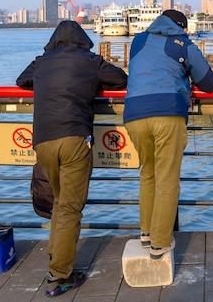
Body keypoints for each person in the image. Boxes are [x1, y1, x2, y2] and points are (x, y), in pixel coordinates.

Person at [16, 20, 128, 297]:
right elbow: (121, 79)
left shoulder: (41, 62)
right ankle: (59, 275)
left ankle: (56, 260)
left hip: (42, 140)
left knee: (58, 203)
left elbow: (21, 81)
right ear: (82, 40)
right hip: (74, 139)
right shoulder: (90, 60)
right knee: (69, 208)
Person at [123, 9, 213, 260]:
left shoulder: (138, 40)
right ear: (181, 27)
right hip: (167, 113)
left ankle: (146, 233)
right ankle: (160, 243)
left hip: (133, 113)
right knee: (167, 179)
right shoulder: (182, 44)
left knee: (148, 173)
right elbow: (210, 84)